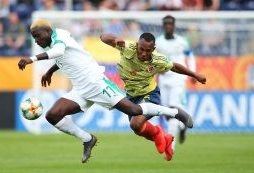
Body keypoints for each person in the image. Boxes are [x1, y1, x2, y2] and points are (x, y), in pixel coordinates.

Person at [18, 19, 194, 163]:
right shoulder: (56, 41)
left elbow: (59, 51)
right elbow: (64, 57)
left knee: (134, 111)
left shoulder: (60, 38)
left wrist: (31, 59)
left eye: (38, 36)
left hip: (96, 83)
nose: (36, 40)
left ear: (48, 32)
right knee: (53, 115)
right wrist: (49, 71)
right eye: (34, 38)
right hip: (80, 89)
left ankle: (175, 112)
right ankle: (88, 139)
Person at [100, 32, 206, 160]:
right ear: (137, 45)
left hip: (149, 94)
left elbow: (175, 67)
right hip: (131, 95)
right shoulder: (127, 47)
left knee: (136, 123)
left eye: (148, 50)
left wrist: (195, 75)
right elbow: (103, 37)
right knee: (137, 128)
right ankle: (163, 137)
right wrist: (116, 39)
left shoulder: (158, 60)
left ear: (153, 49)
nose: (144, 53)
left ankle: (175, 113)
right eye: (141, 49)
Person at [156, 15, 196, 151]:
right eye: (165, 23)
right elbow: (153, 59)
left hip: (178, 79)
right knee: (168, 112)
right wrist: (157, 70)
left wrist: (192, 73)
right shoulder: (158, 42)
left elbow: (190, 56)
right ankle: (182, 125)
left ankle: (170, 145)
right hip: (164, 79)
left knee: (173, 107)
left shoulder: (182, 41)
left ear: (174, 25)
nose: (168, 26)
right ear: (163, 26)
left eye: (170, 23)